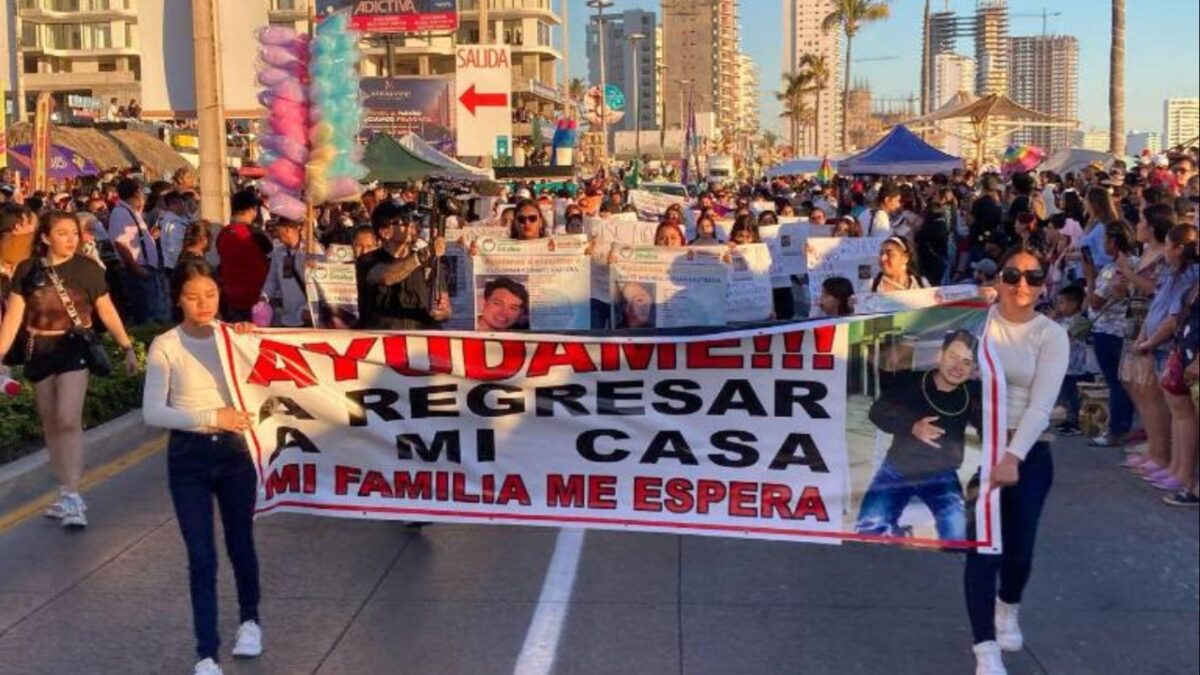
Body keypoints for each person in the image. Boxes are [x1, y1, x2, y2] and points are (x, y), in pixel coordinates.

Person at [142, 261, 262, 675]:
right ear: (178, 299)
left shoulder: (234, 338)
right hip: (188, 458)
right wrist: (213, 417)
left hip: (236, 455)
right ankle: (206, 652)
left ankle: (250, 620)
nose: (203, 303)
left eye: (210, 294)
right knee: (201, 556)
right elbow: (153, 412)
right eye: (193, 296)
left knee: (240, 542)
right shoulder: (166, 345)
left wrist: (251, 341)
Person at [965, 245, 1069, 675]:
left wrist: (1012, 456)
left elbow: (1042, 406)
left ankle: (1008, 605)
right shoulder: (976, 322)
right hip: (974, 449)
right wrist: (872, 309)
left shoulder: (1051, 334)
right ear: (998, 280)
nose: (1022, 284)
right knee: (981, 550)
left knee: (1018, 554)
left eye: (1033, 276)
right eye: (1012, 275)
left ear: (1045, 284)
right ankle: (985, 650)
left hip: (1028, 452)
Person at [0, 211, 140, 528]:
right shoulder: (27, 269)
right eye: (62, 233)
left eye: (73, 233)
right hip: (39, 349)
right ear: (46, 237)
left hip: (74, 347)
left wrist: (127, 347)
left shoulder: (87, 269)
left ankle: (75, 495)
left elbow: (106, 310)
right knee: (51, 423)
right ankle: (65, 491)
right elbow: (13, 318)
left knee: (67, 419)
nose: (70, 239)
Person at [856, 330, 982, 540]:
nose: (958, 367)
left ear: (974, 369)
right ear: (939, 356)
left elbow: (989, 427)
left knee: (959, 536)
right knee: (867, 530)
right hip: (897, 470)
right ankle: (901, 534)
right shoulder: (911, 381)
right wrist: (912, 427)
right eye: (953, 357)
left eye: (967, 362)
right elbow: (878, 412)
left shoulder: (973, 392)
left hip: (942, 476)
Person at [1131, 224, 1199, 492]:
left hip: (1186, 350)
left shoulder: (1189, 276)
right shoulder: (1180, 274)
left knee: (1184, 414)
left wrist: (1148, 341)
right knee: (1179, 411)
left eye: (1169, 246)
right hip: (1182, 348)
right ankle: (1176, 469)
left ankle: (1184, 473)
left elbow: (1173, 318)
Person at [360, 202, 450, 330]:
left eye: (412, 219)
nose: (411, 225)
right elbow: (387, 277)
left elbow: (446, 308)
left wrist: (443, 312)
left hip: (420, 344)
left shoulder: (429, 262)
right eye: (404, 221)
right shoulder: (368, 261)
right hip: (384, 344)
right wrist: (425, 254)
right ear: (385, 232)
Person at [109, 177, 169, 324]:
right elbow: (121, 244)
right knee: (145, 314)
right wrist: (136, 269)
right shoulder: (121, 212)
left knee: (152, 311)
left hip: (145, 268)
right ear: (136, 193)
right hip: (138, 270)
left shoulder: (131, 211)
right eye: (141, 193)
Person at [215, 191, 272, 322]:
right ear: (252, 210)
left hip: (229, 298)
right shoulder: (255, 234)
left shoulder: (223, 233)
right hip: (254, 299)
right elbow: (271, 257)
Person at [260, 218, 320, 328]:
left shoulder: (313, 250)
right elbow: (272, 280)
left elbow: (320, 284)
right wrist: (264, 296)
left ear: (286, 230)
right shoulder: (278, 253)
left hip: (308, 317)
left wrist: (309, 308)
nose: (276, 234)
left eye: (278, 230)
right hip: (287, 317)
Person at [1052, 284, 1089, 436]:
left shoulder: (1080, 321)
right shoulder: (1064, 320)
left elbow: (1066, 337)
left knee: (1075, 396)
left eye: (1062, 302)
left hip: (1077, 365)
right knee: (1066, 394)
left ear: (1074, 303)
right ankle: (1068, 419)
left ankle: (1076, 422)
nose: (1059, 307)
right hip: (1064, 365)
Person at [157, 191, 191, 277]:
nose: (184, 206)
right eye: (182, 203)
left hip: (174, 264)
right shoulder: (173, 223)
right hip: (175, 265)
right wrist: (182, 264)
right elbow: (175, 247)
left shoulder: (179, 219)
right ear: (173, 205)